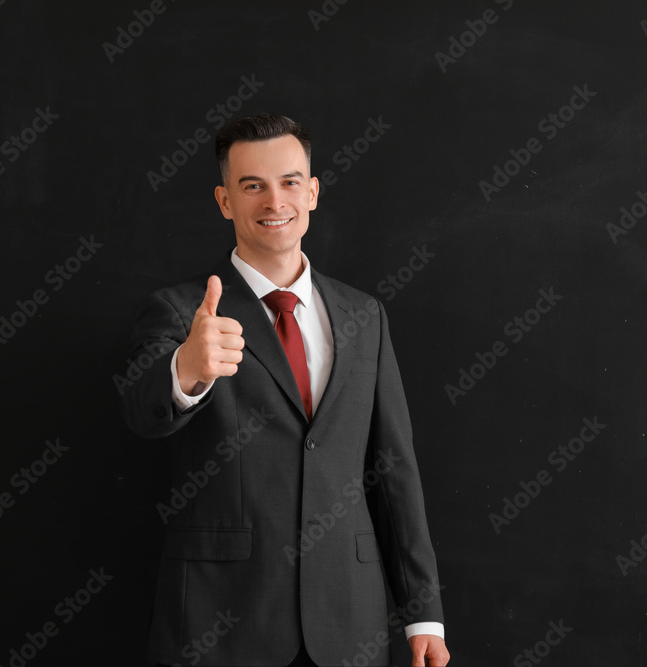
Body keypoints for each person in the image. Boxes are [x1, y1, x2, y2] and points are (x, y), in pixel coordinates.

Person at [120, 113, 449, 667]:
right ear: (225, 201)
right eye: (252, 186)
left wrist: (422, 612)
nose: (275, 201)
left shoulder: (364, 315)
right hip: (220, 623)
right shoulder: (181, 312)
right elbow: (140, 411)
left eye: (290, 181)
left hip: (349, 619)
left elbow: (394, 470)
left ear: (313, 191)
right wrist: (187, 370)